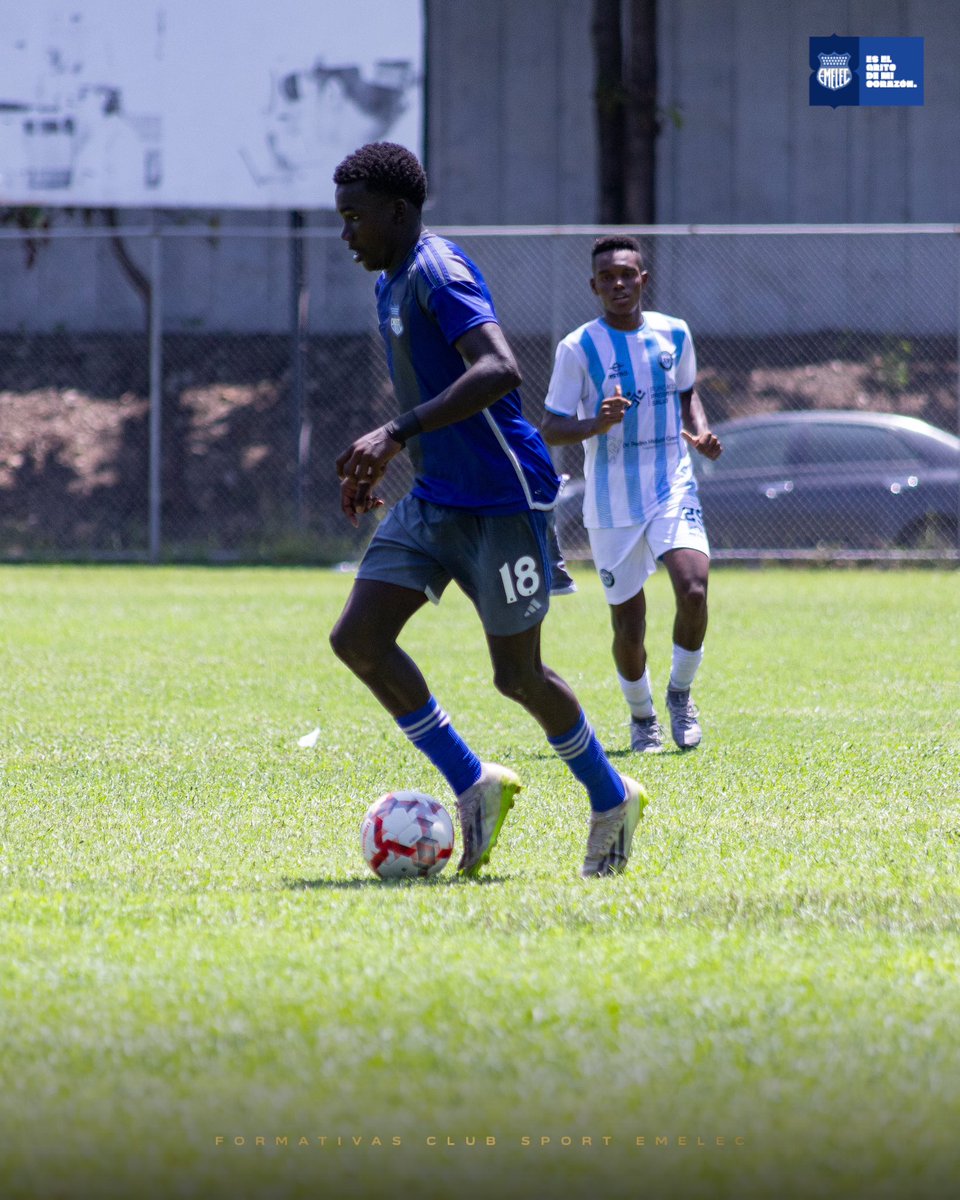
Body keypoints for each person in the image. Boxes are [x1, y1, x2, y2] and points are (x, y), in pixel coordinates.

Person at [328, 143, 648, 879]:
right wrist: (387, 455)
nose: (346, 234)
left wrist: (393, 433)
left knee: (519, 677)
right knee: (360, 640)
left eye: (355, 218)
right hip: (436, 497)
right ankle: (475, 783)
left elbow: (500, 368)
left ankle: (611, 799)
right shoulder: (389, 281)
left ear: (398, 213)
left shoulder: (438, 271)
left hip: (505, 501)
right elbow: (429, 395)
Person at [541, 235, 722, 753]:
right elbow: (551, 426)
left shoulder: (674, 334)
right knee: (629, 621)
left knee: (693, 589)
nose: (618, 284)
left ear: (644, 279)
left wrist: (701, 432)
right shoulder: (578, 347)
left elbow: (687, 393)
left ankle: (680, 694)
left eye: (627, 274)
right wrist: (595, 423)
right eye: (607, 277)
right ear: (594, 286)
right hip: (611, 499)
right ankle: (642, 717)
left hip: (672, 482)